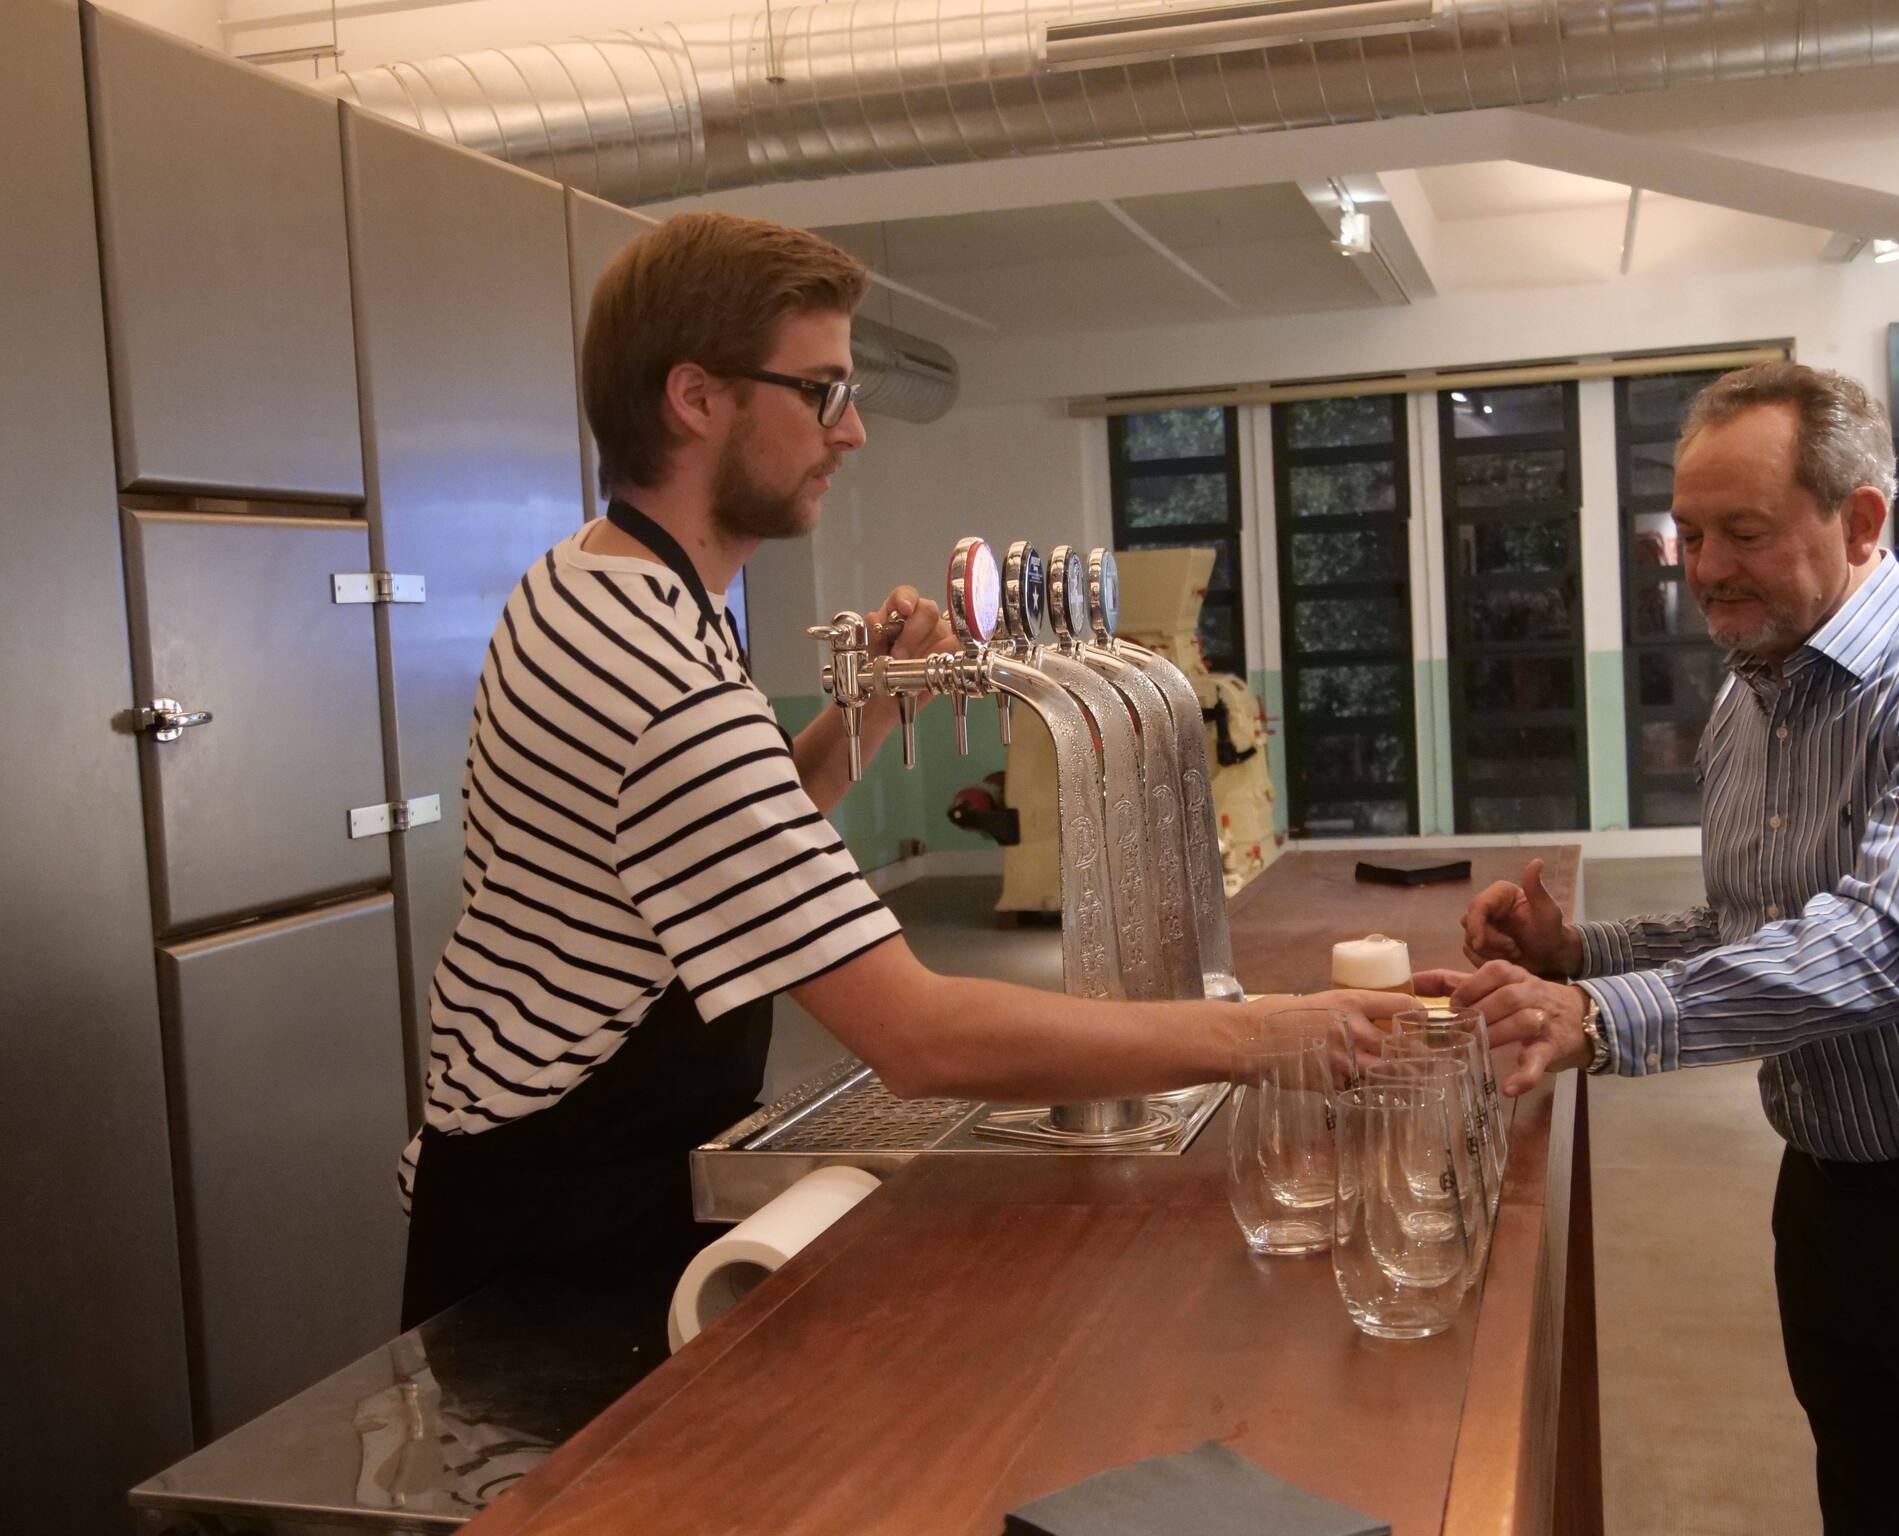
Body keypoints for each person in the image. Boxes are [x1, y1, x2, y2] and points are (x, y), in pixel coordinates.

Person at [397, 211, 1396, 1342]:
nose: (854, 430)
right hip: (559, 1243)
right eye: (822, 391)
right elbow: (922, 1037)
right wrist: (1264, 1037)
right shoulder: (658, 679)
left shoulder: (591, 582)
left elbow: (716, 852)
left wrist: (871, 710)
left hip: (536, 1176)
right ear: (695, 398)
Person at [1424, 362, 1899, 1534]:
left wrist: (1600, 1021)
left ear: (1858, 520)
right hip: (1822, 1188)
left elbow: (1876, 946)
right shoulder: (1747, 697)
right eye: (1689, 533)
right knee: (1868, 1493)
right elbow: (1749, 930)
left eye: (1742, 533)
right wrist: (1574, 954)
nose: (1702, 568)